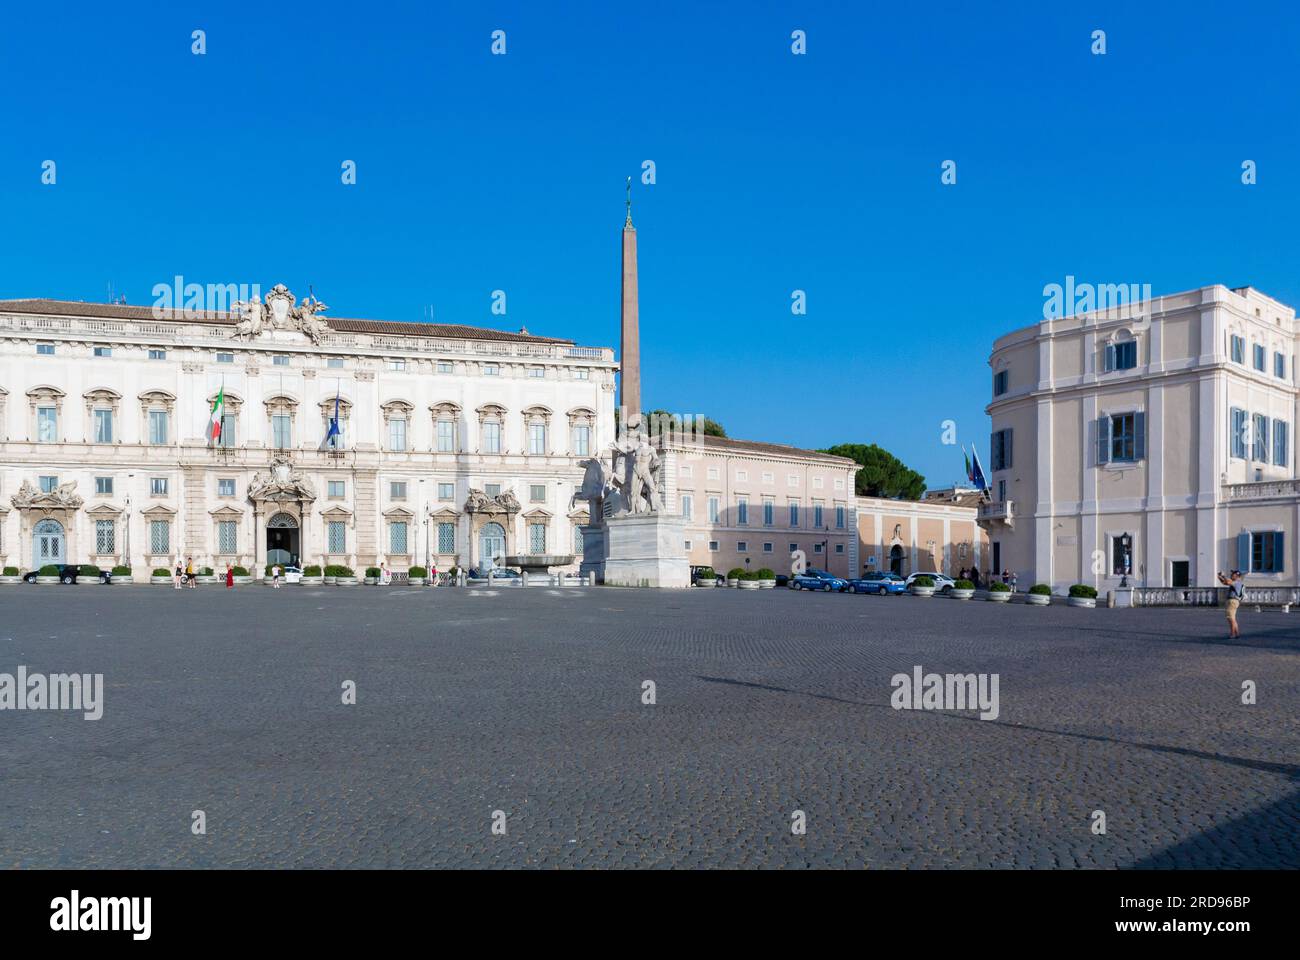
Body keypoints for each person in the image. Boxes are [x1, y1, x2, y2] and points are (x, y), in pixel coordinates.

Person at [1217, 570, 1245, 638]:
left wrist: (1223, 576)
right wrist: (1220, 577)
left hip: (1232, 601)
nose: (1231, 575)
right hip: (1234, 601)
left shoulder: (1237, 582)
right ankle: (1237, 634)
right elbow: (1225, 583)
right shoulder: (1237, 583)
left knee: (1230, 618)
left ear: (1237, 576)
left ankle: (1232, 634)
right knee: (1233, 618)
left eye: (1233, 574)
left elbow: (1228, 582)